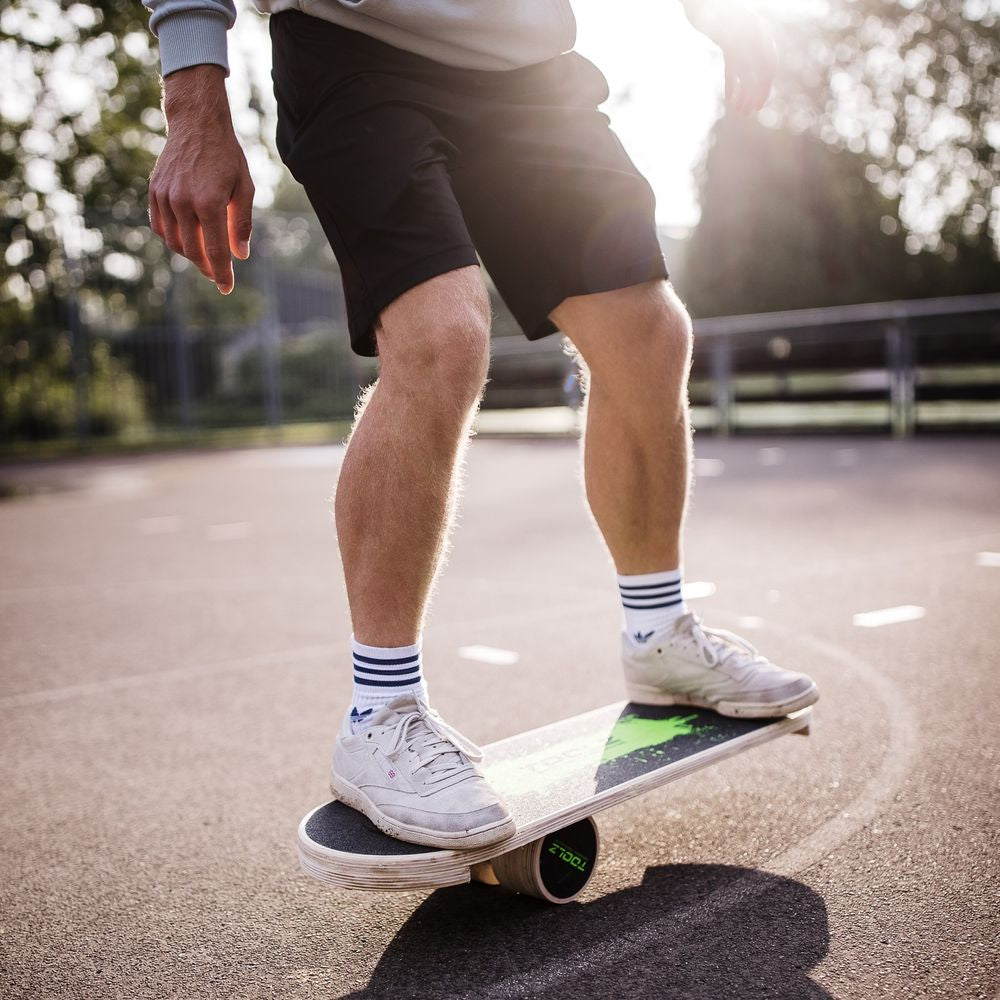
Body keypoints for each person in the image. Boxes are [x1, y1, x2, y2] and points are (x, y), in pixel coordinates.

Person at [142, 0, 819, 852]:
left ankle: (659, 637)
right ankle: (379, 714)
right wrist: (192, 96)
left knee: (649, 335)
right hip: (356, 52)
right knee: (441, 340)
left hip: (526, 67)